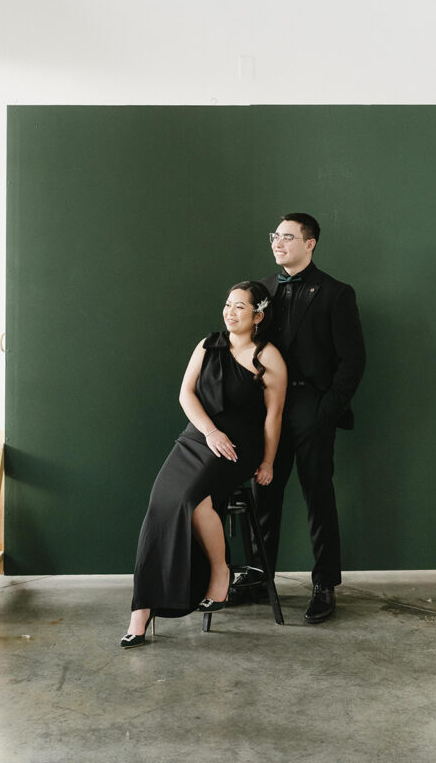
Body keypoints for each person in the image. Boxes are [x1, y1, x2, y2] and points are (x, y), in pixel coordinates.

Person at [121, 281, 287, 648]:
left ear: (258, 315)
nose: (230, 312)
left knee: (190, 500)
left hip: (238, 446)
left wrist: (268, 462)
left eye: (239, 307)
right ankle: (142, 609)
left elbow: (273, 417)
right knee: (159, 504)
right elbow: (186, 393)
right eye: (227, 305)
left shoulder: (269, 357)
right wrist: (209, 431)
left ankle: (218, 572)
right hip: (199, 436)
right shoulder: (207, 344)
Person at [247, 213, 365, 624]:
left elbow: (353, 360)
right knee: (263, 494)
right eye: (275, 235)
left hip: (312, 409)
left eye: (288, 237)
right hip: (267, 411)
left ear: (310, 243)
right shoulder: (259, 290)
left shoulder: (336, 293)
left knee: (318, 497)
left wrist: (326, 411)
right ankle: (260, 579)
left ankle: (324, 585)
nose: (278, 243)